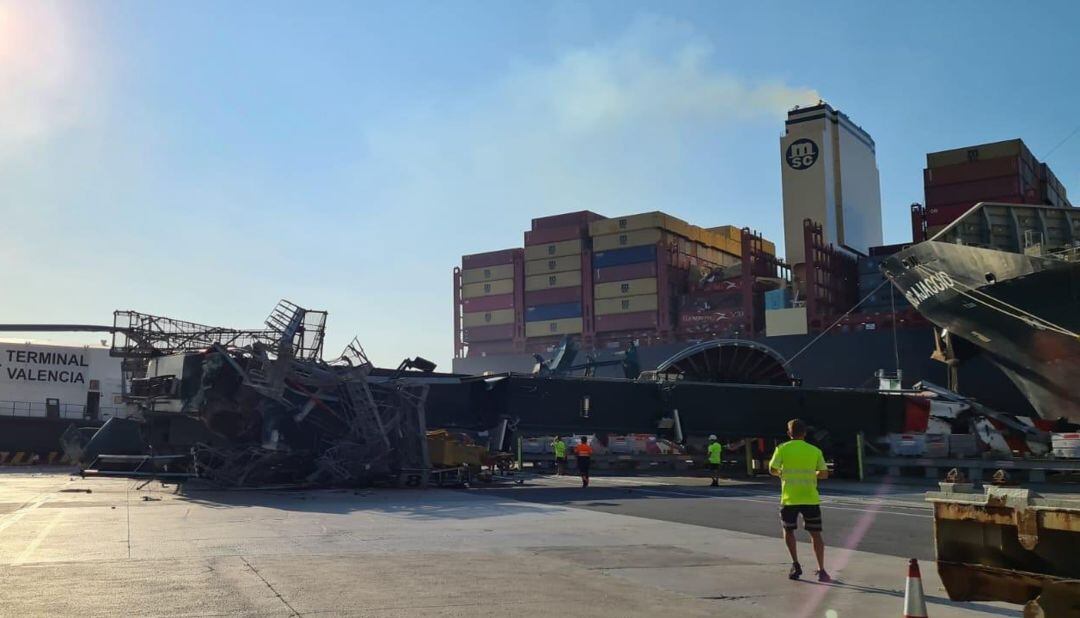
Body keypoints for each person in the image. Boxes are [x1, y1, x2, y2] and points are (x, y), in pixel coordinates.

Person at [768, 419, 831, 582]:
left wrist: (781, 473)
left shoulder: (782, 448)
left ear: (789, 434)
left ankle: (795, 564)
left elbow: (772, 469)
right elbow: (824, 473)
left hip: (789, 499)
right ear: (804, 433)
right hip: (810, 498)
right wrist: (813, 474)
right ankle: (821, 569)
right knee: (815, 534)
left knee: (789, 531)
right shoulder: (814, 450)